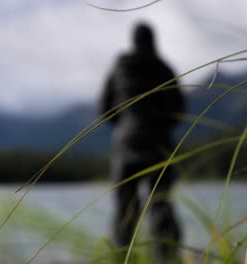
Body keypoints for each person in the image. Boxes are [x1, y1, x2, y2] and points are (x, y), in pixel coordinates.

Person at [100, 22, 185, 263]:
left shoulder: (119, 69)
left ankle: (122, 258)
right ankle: (166, 258)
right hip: (159, 146)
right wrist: (160, 126)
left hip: (125, 146)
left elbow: (104, 109)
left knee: (125, 210)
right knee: (161, 205)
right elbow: (178, 109)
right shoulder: (163, 68)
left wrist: (124, 125)